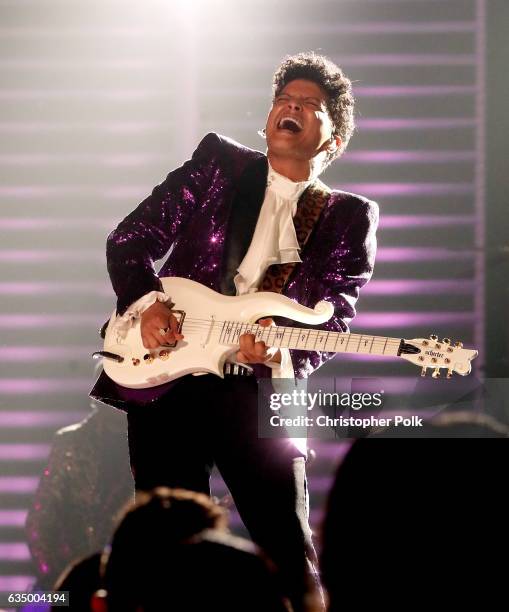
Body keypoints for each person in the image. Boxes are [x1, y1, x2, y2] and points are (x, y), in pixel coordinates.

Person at [91, 51, 378, 611]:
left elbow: (335, 316)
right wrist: (148, 303)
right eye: (283, 101)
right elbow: (130, 239)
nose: (289, 109)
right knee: (166, 545)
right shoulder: (219, 164)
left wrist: (279, 348)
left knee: (288, 549)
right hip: (169, 376)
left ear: (334, 141)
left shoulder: (349, 216)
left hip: (261, 386)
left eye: (307, 106)